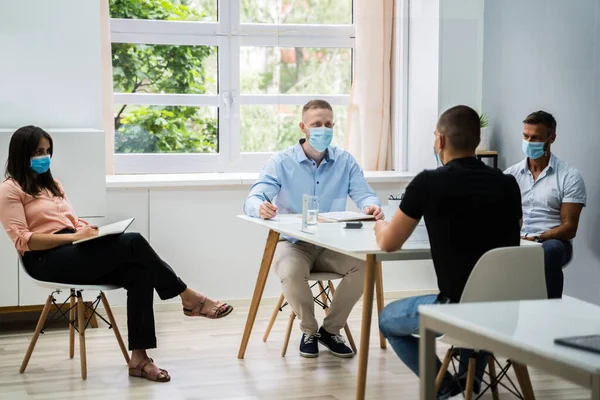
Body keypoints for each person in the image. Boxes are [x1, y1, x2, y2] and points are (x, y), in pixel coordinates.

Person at [0, 126, 233, 383]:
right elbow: (24, 240)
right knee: (132, 241)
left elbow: (70, 220)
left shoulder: (54, 185)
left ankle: (139, 359)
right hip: (45, 259)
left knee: (139, 273)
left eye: (47, 151)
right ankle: (189, 297)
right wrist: (74, 237)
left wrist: (85, 229)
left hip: (72, 250)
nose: (44, 156)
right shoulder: (10, 189)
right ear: (21, 154)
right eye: (37, 152)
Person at [374, 106, 522, 398]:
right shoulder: (507, 183)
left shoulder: (429, 182)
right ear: (476, 141)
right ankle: (469, 383)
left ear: (440, 140)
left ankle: (445, 388)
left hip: (457, 310)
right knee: (479, 309)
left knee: (387, 319)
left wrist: (380, 226)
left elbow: (389, 244)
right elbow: (517, 226)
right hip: (507, 310)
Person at [244, 99, 383, 359]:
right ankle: (309, 330)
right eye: (317, 124)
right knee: (290, 270)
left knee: (366, 266)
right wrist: (259, 206)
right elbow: (254, 196)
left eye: (328, 124)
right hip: (294, 244)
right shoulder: (281, 161)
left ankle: (331, 330)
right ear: (303, 127)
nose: (324, 129)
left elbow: (366, 195)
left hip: (333, 243)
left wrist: (372, 207)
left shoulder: (345, 161)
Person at [505, 111, 586, 299]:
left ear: (552, 138)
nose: (529, 141)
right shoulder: (511, 175)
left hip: (552, 242)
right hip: (516, 238)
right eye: (526, 136)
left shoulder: (569, 176)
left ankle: (550, 309)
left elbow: (569, 228)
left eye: (536, 138)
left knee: (548, 252)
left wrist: (537, 238)